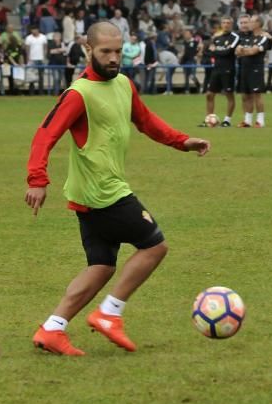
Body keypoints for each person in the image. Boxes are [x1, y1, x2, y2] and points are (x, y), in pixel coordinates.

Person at [25, 21, 210, 356]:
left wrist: (183, 142)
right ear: (88, 50)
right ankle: (109, 313)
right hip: (103, 192)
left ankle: (52, 328)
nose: (113, 58)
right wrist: (37, 180)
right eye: (104, 52)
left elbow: (146, 121)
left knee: (102, 265)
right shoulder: (78, 94)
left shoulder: (123, 83)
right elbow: (45, 135)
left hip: (90, 195)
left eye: (117, 51)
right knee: (154, 247)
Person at [236, 14, 272, 127]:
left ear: (258, 24)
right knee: (246, 95)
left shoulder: (264, 37)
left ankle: (260, 120)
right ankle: (247, 120)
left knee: (257, 94)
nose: (249, 24)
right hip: (245, 68)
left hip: (256, 68)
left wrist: (244, 50)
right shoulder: (248, 37)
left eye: (251, 22)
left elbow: (253, 52)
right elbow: (237, 52)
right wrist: (245, 50)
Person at [204, 16, 239, 126]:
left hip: (228, 69)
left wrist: (217, 51)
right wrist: (220, 51)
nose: (226, 24)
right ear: (221, 24)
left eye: (228, 23)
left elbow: (228, 52)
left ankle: (227, 120)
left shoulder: (235, 37)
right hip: (216, 69)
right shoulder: (217, 38)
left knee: (229, 95)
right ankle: (209, 119)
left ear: (231, 24)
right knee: (209, 94)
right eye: (224, 22)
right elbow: (209, 52)